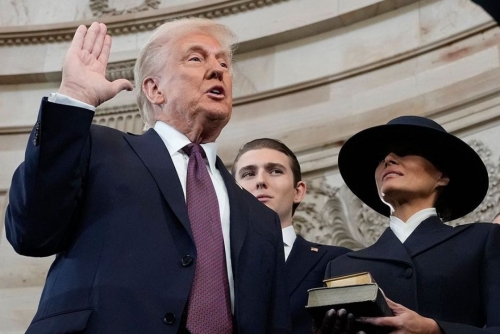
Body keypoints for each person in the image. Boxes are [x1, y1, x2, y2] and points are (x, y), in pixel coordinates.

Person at [4, 19, 291, 333]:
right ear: (155, 90)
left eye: (224, 63)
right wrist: (75, 96)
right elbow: (31, 232)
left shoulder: (262, 220)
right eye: (196, 58)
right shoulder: (99, 149)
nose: (217, 69)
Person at [316, 116, 500, 333]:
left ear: (442, 176)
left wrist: (434, 330)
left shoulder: (483, 241)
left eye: (406, 151)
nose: (389, 159)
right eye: (380, 158)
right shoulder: (343, 266)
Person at [232, 138, 350, 334]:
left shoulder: (337, 262)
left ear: (298, 191)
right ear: (231, 193)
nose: (261, 181)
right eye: (249, 174)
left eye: (275, 171)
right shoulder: (210, 268)